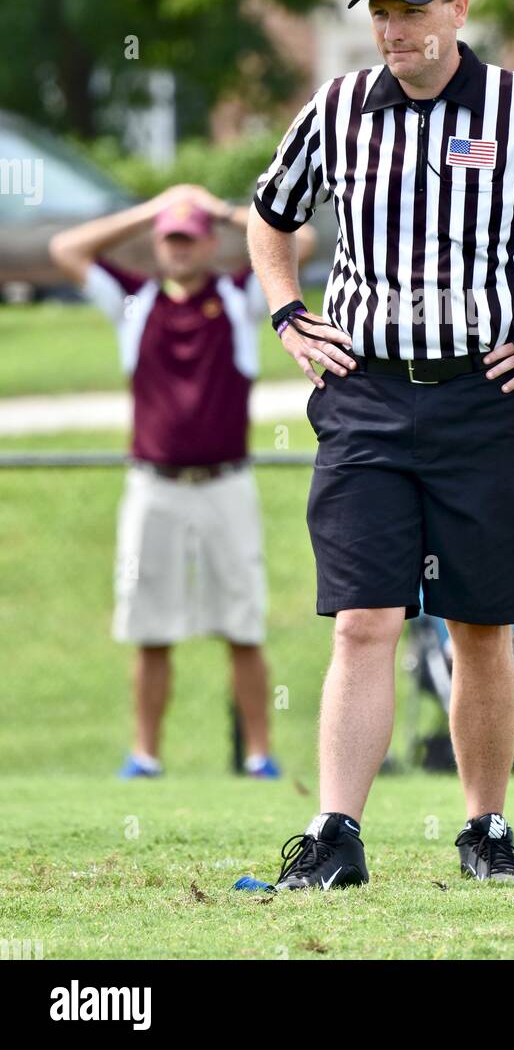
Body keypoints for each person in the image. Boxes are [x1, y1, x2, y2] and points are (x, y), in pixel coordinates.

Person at [240, 0, 514, 892]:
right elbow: (269, 215)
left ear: (459, 11)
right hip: (368, 396)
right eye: (381, 14)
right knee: (362, 621)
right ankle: (337, 831)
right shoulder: (340, 107)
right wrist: (287, 314)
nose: (394, 31)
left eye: (413, 12)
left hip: (488, 395)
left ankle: (486, 830)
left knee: (482, 626)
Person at [49, 183, 315, 778]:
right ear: (157, 244)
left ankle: (259, 756)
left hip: (226, 482)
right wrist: (154, 207)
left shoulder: (241, 294)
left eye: (189, 238)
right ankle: (145, 756)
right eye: (169, 238)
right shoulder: (132, 300)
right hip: (154, 484)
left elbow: (302, 238)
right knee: (149, 627)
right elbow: (66, 249)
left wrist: (217, 208)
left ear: (209, 243)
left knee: (242, 625)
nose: (178, 249)